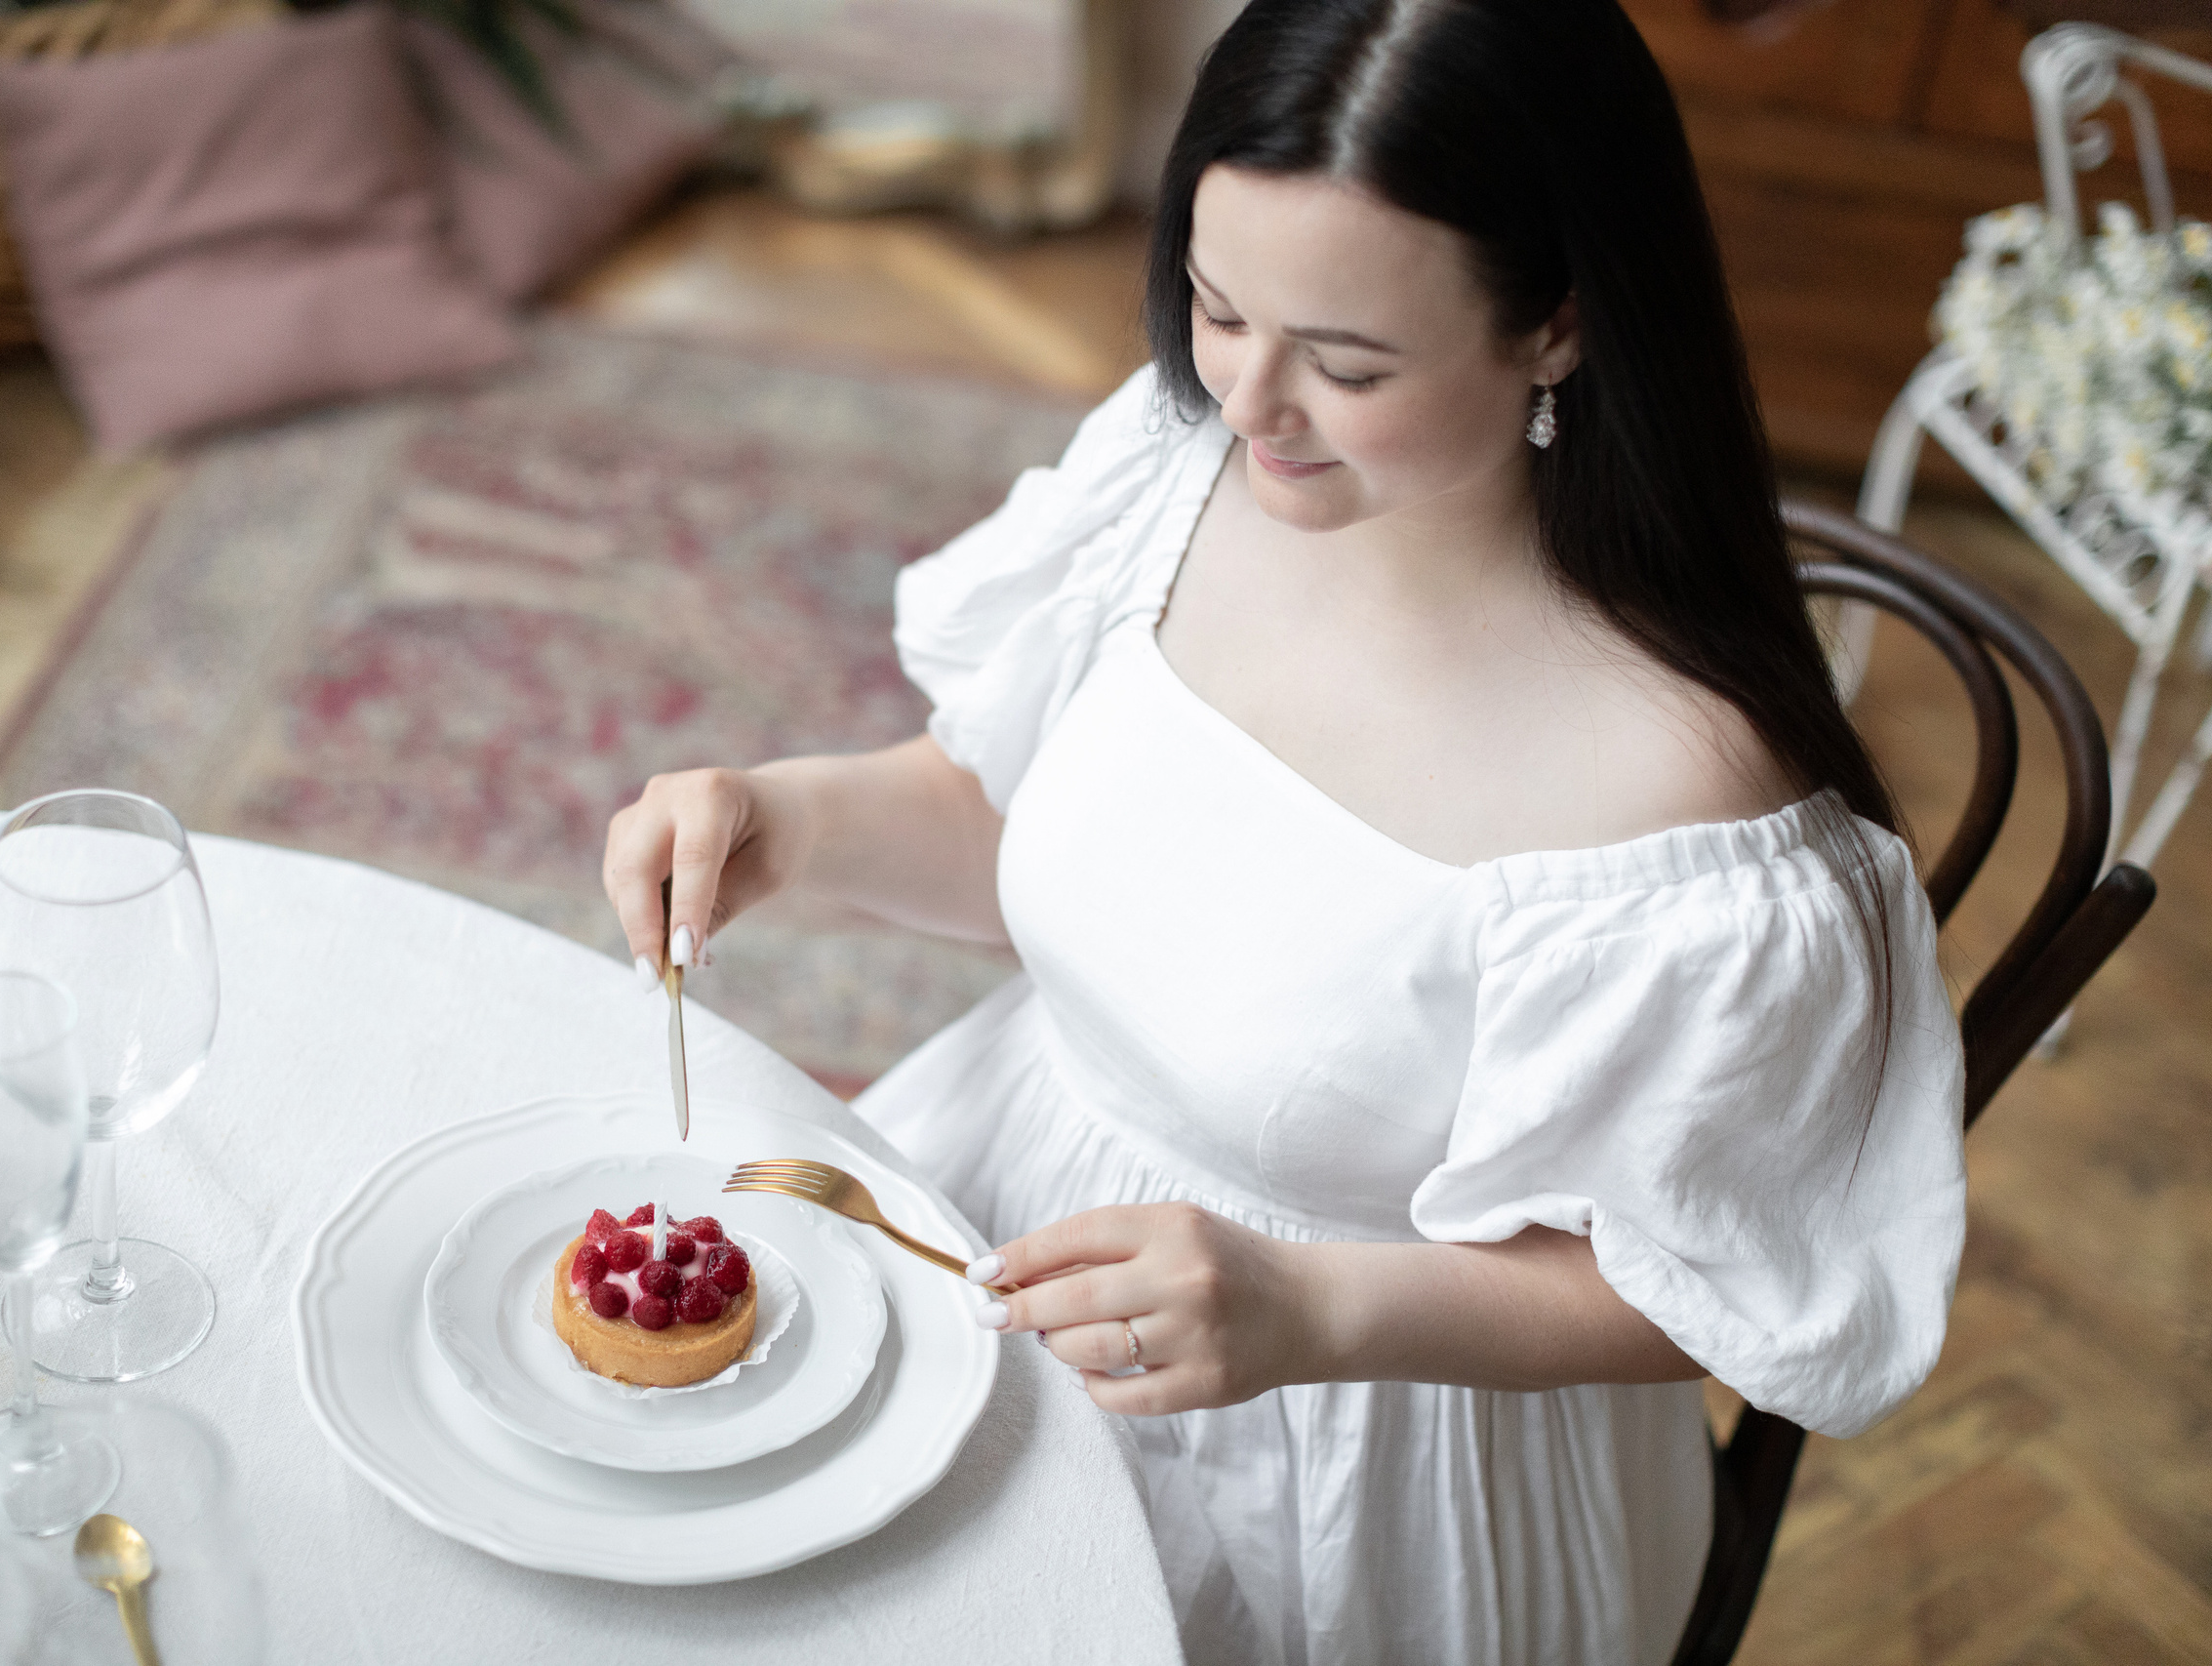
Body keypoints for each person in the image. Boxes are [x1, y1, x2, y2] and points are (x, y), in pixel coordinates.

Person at [599, 1, 1967, 1660]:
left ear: (1557, 325)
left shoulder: (1679, 808)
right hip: (1010, 1214)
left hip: (1366, 1437)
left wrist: (1313, 1305)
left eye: (1349, 360)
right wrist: (788, 820)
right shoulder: (1183, 476)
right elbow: (1046, 849)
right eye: (1217, 303)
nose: (1249, 401)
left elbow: (1709, 1284)